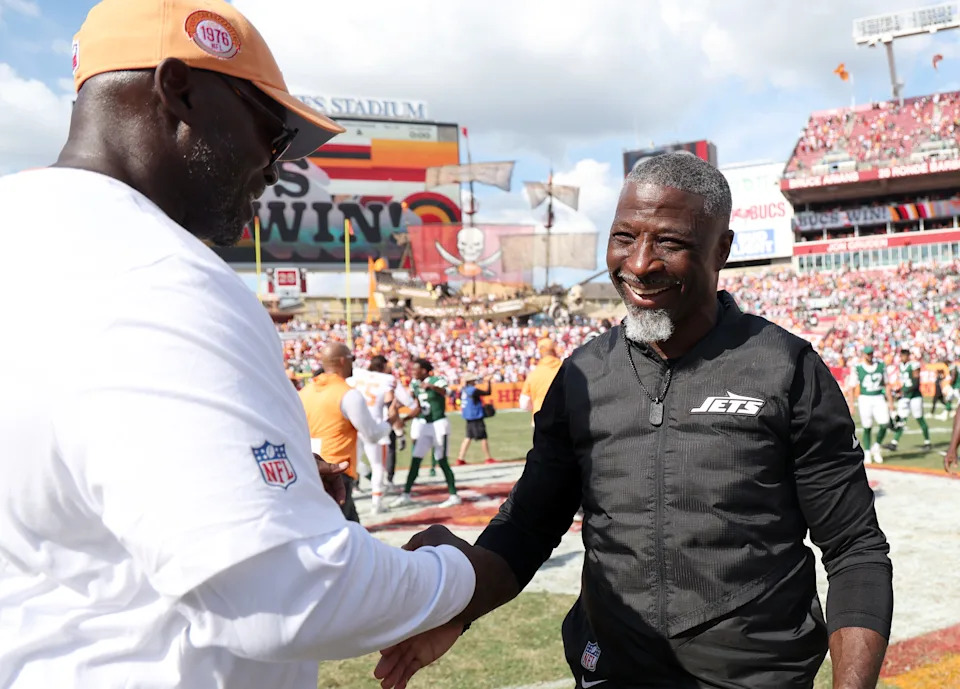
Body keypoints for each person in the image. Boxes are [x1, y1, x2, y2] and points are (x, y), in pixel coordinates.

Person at [0, 1, 481, 687]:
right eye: (273, 129)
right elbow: (283, 597)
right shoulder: (160, 274)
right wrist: (459, 574)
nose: (278, 165)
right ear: (179, 89)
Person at [375, 152, 892, 689]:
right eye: (625, 236)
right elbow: (528, 527)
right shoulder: (582, 375)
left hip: (753, 676)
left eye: (668, 242)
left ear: (722, 250)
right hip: (611, 671)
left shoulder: (785, 367)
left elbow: (855, 549)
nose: (640, 263)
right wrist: (453, 598)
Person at [299, 343, 398, 522]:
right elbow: (372, 435)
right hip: (337, 470)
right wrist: (390, 421)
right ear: (343, 361)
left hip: (310, 466)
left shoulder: (305, 391)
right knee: (340, 535)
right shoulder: (347, 394)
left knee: (354, 532)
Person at [347, 355, 414, 514]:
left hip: (353, 425)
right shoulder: (388, 379)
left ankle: (350, 494)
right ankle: (376, 502)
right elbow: (407, 401)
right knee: (378, 466)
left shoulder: (357, 373)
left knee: (352, 462)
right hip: (375, 426)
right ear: (383, 366)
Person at [392, 358, 461, 508]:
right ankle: (406, 494)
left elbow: (449, 393)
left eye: (415, 369)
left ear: (423, 370)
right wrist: (405, 419)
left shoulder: (437, 380)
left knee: (442, 460)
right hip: (424, 425)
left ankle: (453, 494)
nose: (412, 372)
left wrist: (432, 387)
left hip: (439, 424)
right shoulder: (415, 384)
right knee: (415, 459)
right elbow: (418, 407)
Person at [849, 345, 894, 463]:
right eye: (868, 354)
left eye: (871, 353)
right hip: (865, 398)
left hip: (878, 396)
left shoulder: (881, 365)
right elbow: (851, 387)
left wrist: (890, 402)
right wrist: (851, 405)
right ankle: (868, 451)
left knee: (885, 423)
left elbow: (887, 384)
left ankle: (877, 446)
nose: (870, 356)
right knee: (867, 426)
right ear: (863, 354)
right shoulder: (858, 367)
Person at [885, 347, 932, 452]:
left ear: (908, 356)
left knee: (919, 418)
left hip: (915, 396)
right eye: (900, 356)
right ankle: (894, 443)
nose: (902, 358)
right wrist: (899, 391)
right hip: (906, 396)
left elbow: (916, 383)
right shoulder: (901, 366)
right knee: (902, 420)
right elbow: (905, 383)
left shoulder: (914, 365)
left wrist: (903, 392)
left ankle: (927, 442)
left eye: (903, 356)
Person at [518, 337, 564, 427]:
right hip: (562, 420)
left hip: (539, 420)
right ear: (554, 350)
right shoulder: (565, 369)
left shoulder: (533, 374)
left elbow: (524, 403)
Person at [455, 375, 496, 466]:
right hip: (475, 416)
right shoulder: (473, 390)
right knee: (483, 437)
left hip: (468, 416)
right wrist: (488, 382)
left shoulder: (463, 390)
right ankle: (488, 458)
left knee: (468, 437)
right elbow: (487, 392)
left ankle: (460, 458)